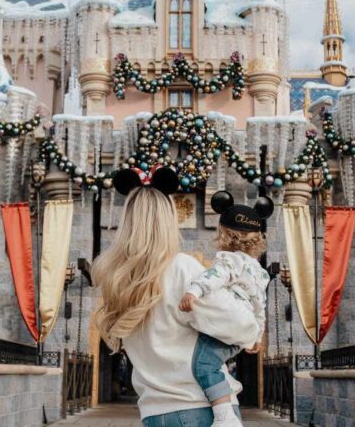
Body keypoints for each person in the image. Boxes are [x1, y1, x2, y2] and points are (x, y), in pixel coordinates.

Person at [92, 167, 261, 427]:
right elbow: (242, 326)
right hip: (200, 409)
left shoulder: (118, 279)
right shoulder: (182, 268)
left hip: (154, 413)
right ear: (168, 220)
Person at [179, 191, 273, 426]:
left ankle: (224, 415)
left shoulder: (230, 260)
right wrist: (257, 336)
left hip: (227, 323)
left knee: (203, 365)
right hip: (243, 332)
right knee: (216, 363)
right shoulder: (260, 273)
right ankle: (226, 395)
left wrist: (194, 291)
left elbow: (215, 276)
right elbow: (260, 305)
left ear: (225, 235)